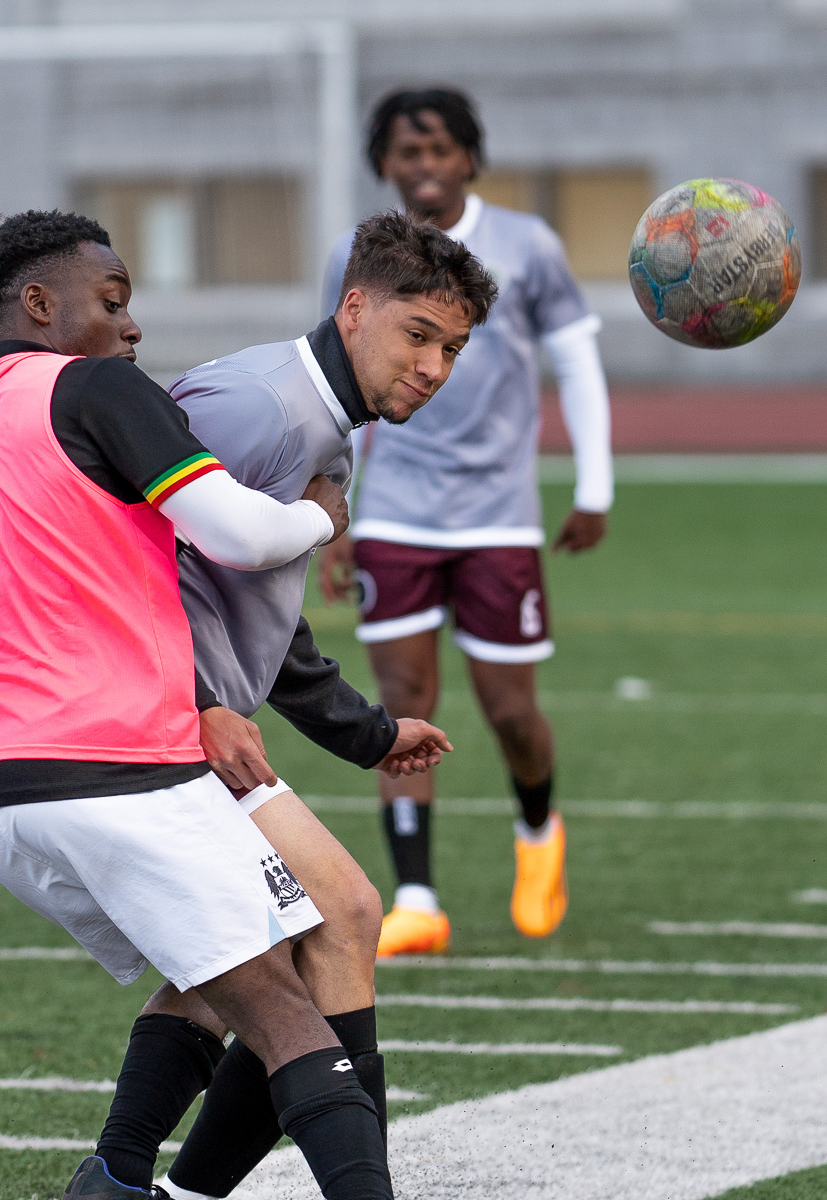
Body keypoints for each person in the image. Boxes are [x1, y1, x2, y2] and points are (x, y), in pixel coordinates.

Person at [0, 210, 399, 1200]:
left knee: (219, 974)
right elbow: (237, 533)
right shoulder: (96, 387)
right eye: (112, 303)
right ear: (38, 305)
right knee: (288, 1003)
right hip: (115, 769)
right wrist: (322, 515)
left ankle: (115, 1178)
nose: (132, 329)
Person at [317, 86, 616, 955]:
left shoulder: (528, 247)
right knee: (401, 703)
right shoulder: (356, 254)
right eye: (407, 154)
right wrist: (333, 511)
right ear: (385, 165)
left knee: (509, 710)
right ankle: (416, 896)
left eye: (440, 150)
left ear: (469, 159)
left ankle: (536, 834)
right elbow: (336, 386)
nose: (424, 167)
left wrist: (594, 486)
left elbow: (578, 363)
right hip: (398, 512)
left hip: (497, 519)